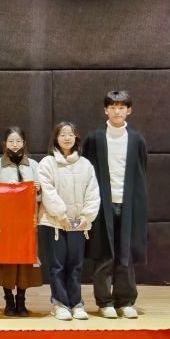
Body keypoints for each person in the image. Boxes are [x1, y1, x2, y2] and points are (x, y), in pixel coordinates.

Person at [83, 91, 149, 319]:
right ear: (106, 110)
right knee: (103, 253)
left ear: (129, 110)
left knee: (125, 254)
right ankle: (104, 302)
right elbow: (87, 172)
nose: (117, 111)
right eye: (112, 107)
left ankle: (125, 301)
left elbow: (142, 171)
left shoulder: (137, 139)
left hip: (128, 204)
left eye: (121, 107)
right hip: (102, 204)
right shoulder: (95, 138)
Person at [38, 122, 100, 321]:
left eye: (71, 134)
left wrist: (85, 217)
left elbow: (93, 192)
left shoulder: (85, 164)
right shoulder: (47, 163)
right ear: (56, 138)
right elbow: (47, 191)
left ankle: (77, 304)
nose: (67, 138)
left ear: (76, 138)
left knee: (76, 265)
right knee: (57, 266)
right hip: (54, 222)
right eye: (63, 134)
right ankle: (60, 304)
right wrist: (61, 215)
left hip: (79, 224)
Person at [0, 127, 43, 317]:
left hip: (28, 222)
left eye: (18, 141)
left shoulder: (34, 165)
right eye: (11, 141)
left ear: (24, 143)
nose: (15, 145)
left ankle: (21, 300)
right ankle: (8, 300)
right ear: (4, 144)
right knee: (7, 261)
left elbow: (42, 196)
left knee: (25, 261)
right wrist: (5, 189)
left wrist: (38, 189)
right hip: (5, 223)